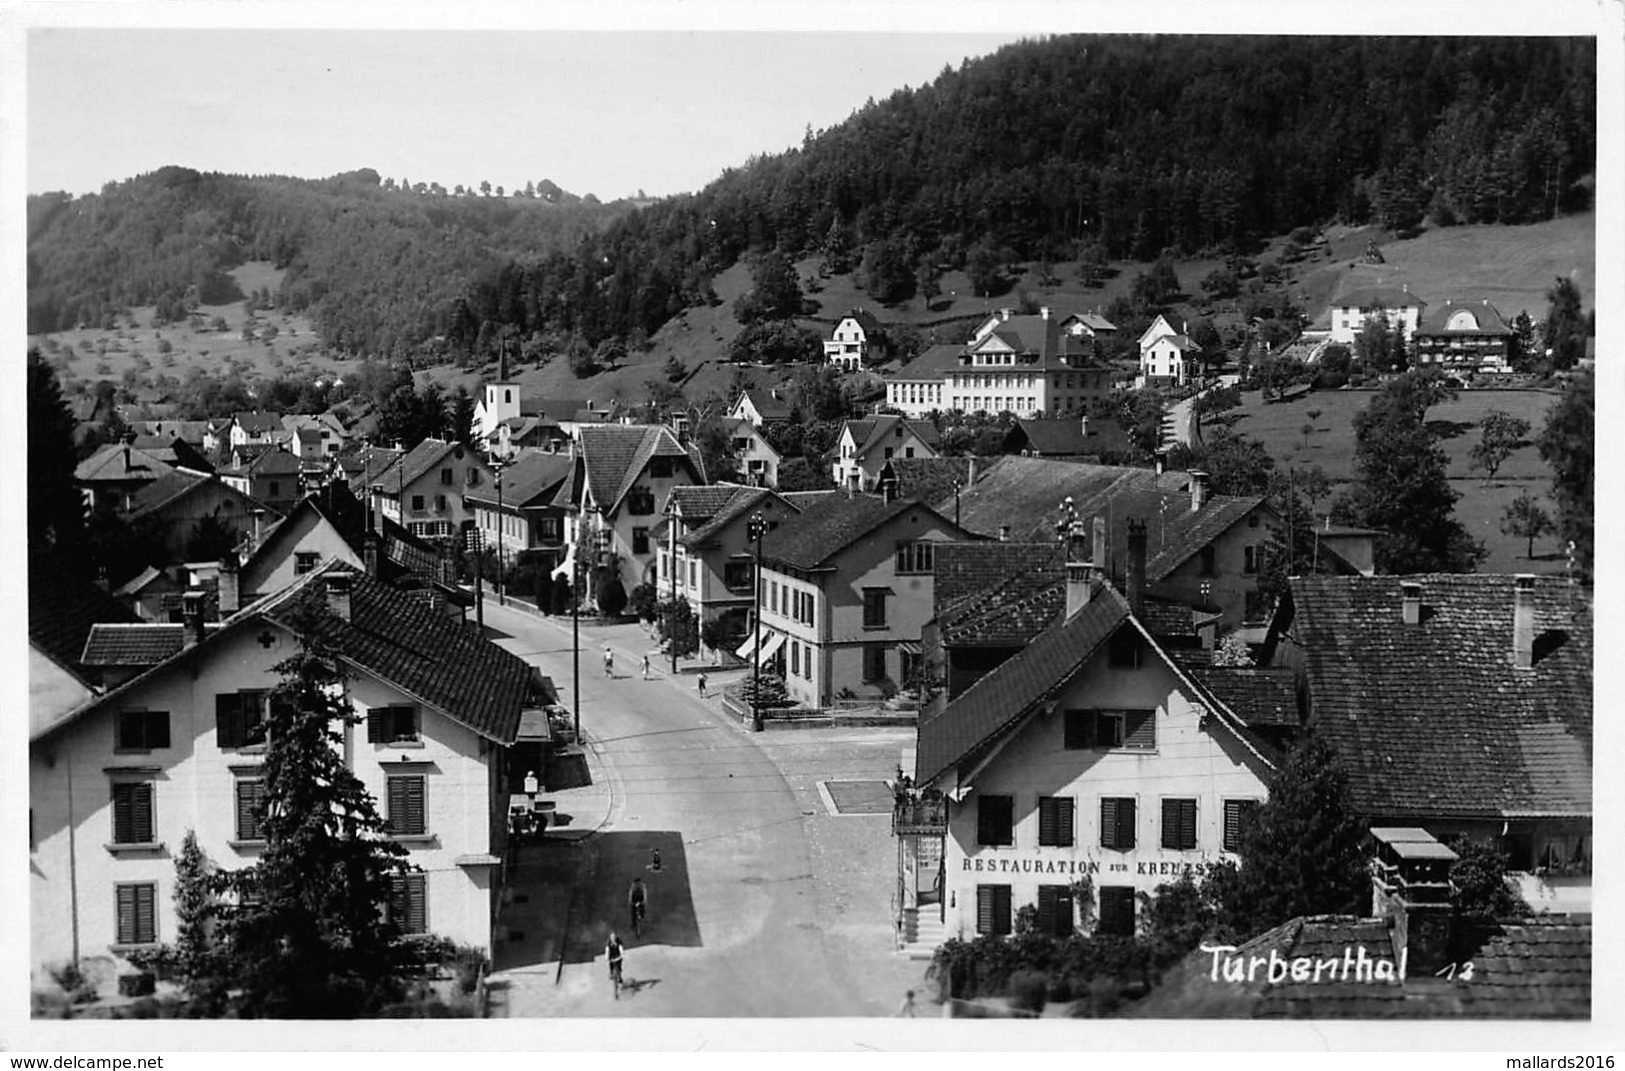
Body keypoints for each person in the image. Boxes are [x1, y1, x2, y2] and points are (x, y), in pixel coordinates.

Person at [605, 930, 624, 998]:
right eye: (612, 937)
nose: (613, 938)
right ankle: (611, 973)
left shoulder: (619, 941)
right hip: (612, 956)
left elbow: (621, 948)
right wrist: (607, 957)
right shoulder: (608, 943)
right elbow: (607, 950)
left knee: (619, 967)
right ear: (610, 937)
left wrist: (622, 955)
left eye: (614, 937)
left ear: (616, 937)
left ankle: (620, 977)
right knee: (611, 965)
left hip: (618, 956)